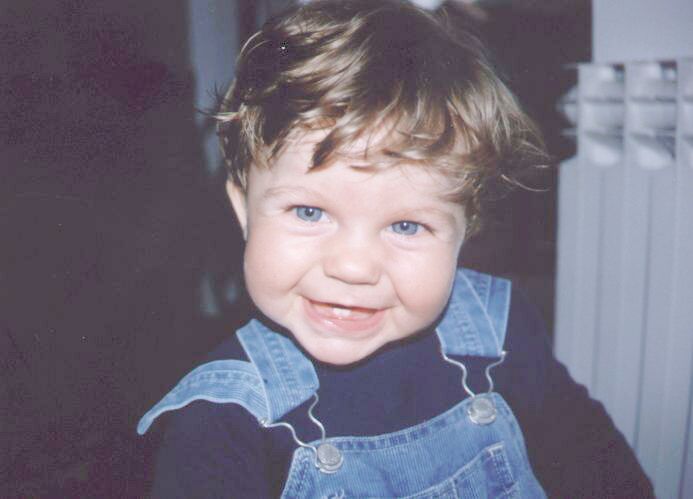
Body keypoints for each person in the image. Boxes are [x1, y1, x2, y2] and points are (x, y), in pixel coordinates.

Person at [137, 1, 653, 496]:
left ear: (467, 229)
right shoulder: (220, 422)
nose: (353, 266)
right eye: (309, 212)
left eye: (406, 226)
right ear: (244, 210)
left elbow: (601, 471)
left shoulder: (499, 331)